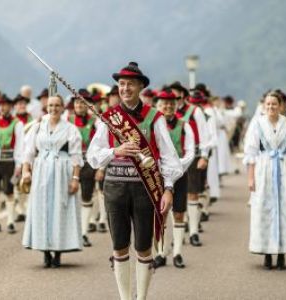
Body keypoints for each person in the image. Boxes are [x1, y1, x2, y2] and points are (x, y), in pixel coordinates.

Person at [87, 62, 182, 300]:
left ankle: (141, 298)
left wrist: (168, 188)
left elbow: (170, 158)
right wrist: (115, 151)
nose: (125, 88)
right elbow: (92, 156)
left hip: (145, 190)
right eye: (121, 84)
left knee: (143, 246)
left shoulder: (155, 117)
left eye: (130, 84)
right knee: (119, 246)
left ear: (140, 86)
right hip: (115, 187)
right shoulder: (108, 118)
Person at [243, 91, 286, 270]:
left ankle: (281, 254)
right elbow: (250, 153)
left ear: (280, 106)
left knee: (285, 208)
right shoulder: (257, 124)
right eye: (268, 104)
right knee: (265, 209)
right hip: (264, 169)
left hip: (285, 169)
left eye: (274, 104)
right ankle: (266, 253)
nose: (271, 107)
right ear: (264, 106)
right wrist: (250, 178)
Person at [21, 94, 84, 268]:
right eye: (50, 105)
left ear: (63, 107)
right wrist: (26, 171)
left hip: (62, 171)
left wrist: (75, 178)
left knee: (59, 209)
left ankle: (57, 252)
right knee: (42, 209)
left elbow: (76, 156)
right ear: (46, 107)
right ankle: (45, 252)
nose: (53, 109)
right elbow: (28, 151)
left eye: (57, 105)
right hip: (41, 171)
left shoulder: (70, 129)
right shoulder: (38, 127)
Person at [153, 89, 194, 269]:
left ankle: (177, 252)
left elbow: (190, 152)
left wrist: (176, 168)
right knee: (160, 214)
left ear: (176, 105)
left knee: (178, 213)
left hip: (179, 174)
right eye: (164, 104)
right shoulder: (154, 125)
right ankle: (161, 253)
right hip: (158, 175)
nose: (168, 107)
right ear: (158, 106)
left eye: (171, 104)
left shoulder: (185, 126)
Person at [171, 81, 209, 246]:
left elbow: (204, 134)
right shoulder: (166, 113)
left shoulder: (195, 111)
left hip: (192, 156)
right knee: (173, 196)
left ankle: (193, 231)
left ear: (183, 96)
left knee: (192, 193)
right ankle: (179, 231)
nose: (173, 100)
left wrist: (204, 156)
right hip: (171, 159)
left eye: (176, 96)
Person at [68, 89, 101, 247]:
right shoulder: (67, 120)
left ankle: (83, 233)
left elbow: (102, 144)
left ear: (87, 104)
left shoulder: (96, 121)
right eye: (77, 102)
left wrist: (101, 167)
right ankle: (68, 233)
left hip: (88, 164)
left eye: (82, 102)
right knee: (68, 198)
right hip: (69, 164)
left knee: (86, 198)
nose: (79, 105)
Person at [0, 95, 24, 234]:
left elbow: (20, 145)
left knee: (9, 191)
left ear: (10, 106)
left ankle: (10, 221)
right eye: (0, 104)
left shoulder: (17, 123)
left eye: (5, 104)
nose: (2, 107)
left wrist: (19, 164)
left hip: (10, 161)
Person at [14, 93, 34, 222]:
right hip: (15, 154)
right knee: (16, 183)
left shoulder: (32, 120)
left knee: (27, 180)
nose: (21, 106)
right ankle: (19, 209)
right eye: (19, 104)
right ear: (15, 106)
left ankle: (27, 208)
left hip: (28, 153)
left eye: (23, 104)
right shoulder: (13, 120)